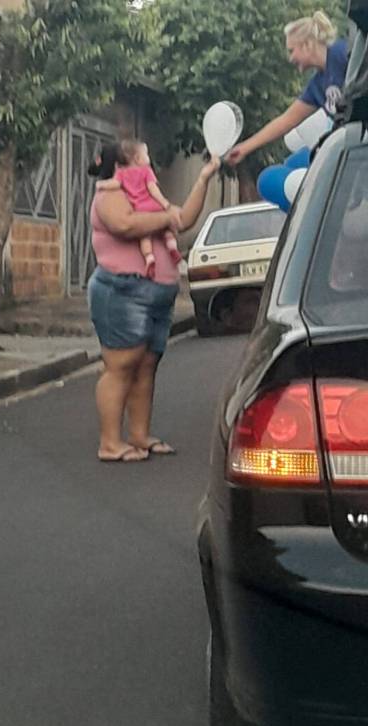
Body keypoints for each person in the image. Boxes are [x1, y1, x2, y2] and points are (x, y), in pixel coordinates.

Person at [88, 144, 220, 462]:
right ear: (126, 163)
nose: (149, 161)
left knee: (147, 364)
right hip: (123, 290)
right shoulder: (110, 192)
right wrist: (166, 216)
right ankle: (110, 443)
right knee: (121, 366)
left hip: (158, 292)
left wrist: (203, 179)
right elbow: (125, 225)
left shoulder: (148, 196)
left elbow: (183, 219)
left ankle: (139, 435)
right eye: (143, 155)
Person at [226, 10, 348, 166]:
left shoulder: (342, 53)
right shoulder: (317, 86)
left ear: (307, 44)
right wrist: (244, 148)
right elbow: (286, 121)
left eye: (292, 50)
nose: (291, 58)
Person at [96, 139, 181, 280]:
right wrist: (166, 204)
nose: (149, 158)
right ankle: (172, 247)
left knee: (144, 237)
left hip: (140, 209)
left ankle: (149, 258)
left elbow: (115, 184)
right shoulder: (147, 171)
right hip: (154, 206)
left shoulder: (121, 173)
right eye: (146, 154)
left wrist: (101, 185)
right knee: (166, 229)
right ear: (137, 158)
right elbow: (153, 190)